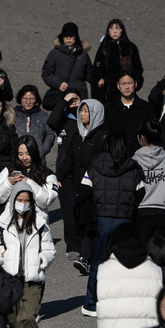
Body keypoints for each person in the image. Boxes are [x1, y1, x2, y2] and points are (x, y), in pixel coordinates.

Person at [0, 182, 54, 328]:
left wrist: (43, 260)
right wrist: (1, 254)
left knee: (27, 317)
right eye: (19, 200)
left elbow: (50, 249)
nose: (23, 204)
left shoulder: (40, 224)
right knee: (11, 321)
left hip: (33, 280)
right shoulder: (0, 224)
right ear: (13, 200)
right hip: (8, 280)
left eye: (27, 200)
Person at [85, 131, 142, 317]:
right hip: (125, 221)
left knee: (97, 263)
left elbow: (84, 190)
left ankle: (91, 303)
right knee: (124, 264)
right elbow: (141, 193)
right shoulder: (133, 167)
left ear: (107, 145)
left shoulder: (94, 165)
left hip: (101, 220)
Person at [50, 96, 109, 265]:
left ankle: (87, 255)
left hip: (95, 186)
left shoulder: (103, 137)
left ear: (95, 113)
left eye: (86, 111)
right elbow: (68, 159)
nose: (82, 114)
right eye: (81, 111)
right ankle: (82, 253)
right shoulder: (77, 136)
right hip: (77, 184)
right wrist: (59, 176)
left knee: (90, 221)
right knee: (78, 217)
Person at [133, 119, 165, 247]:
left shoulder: (133, 162)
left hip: (141, 214)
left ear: (141, 137)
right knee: (164, 260)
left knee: (142, 261)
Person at [40, 22, 91, 111]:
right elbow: (46, 73)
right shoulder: (54, 53)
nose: (68, 38)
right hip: (61, 95)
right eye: (66, 36)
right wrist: (58, 84)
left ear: (76, 37)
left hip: (79, 97)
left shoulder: (83, 55)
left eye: (71, 36)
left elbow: (90, 74)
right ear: (62, 37)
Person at [93, 19, 144, 103]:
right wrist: (100, 79)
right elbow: (97, 69)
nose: (115, 32)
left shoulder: (130, 47)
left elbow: (138, 68)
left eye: (117, 29)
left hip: (127, 86)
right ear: (108, 31)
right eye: (112, 29)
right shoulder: (104, 48)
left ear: (122, 30)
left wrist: (137, 82)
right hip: (110, 88)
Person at [103, 74, 155, 145]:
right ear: (118, 86)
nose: (126, 87)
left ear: (135, 84)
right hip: (116, 153)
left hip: (141, 153)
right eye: (123, 84)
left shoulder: (147, 108)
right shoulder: (109, 108)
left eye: (129, 83)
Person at [11, 85, 55, 157]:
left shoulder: (44, 116)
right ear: (20, 98)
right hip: (17, 158)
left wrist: (42, 150)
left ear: (36, 99)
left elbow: (50, 134)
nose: (28, 102)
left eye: (31, 99)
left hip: (38, 159)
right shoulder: (12, 114)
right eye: (25, 99)